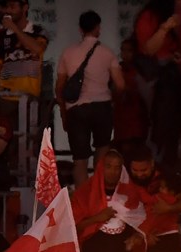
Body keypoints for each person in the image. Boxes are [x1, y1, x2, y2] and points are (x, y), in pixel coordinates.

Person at [57, 11, 124, 186]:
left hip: (76, 110)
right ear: (98, 28)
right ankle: (99, 193)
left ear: (80, 29)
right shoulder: (107, 53)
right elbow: (121, 85)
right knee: (102, 150)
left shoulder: (68, 53)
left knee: (79, 159)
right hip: (102, 107)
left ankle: (82, 200)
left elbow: (60, 88)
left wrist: (64, 114)